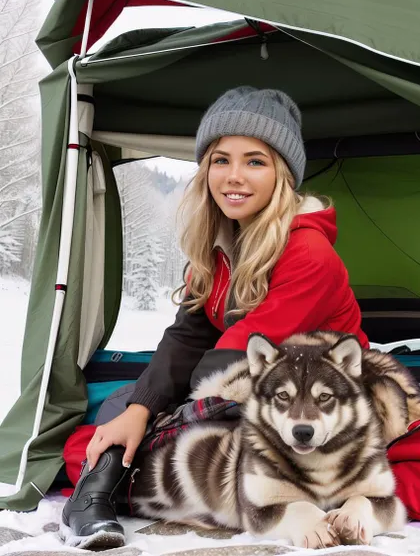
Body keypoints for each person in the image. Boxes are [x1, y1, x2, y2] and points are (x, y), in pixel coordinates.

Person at [62, 87, 369, 542]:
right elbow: (187, 336)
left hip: (315, 401)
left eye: (255, 161)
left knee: (141, 431)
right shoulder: (221, 246)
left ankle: (98, 489)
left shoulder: (310, 253)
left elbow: (237, 352)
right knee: (121, 414)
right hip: (249, 388)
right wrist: (143, 407)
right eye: (220, 160)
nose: (234, 177)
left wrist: (152, 412)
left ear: (283, 175)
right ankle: (92, 502)